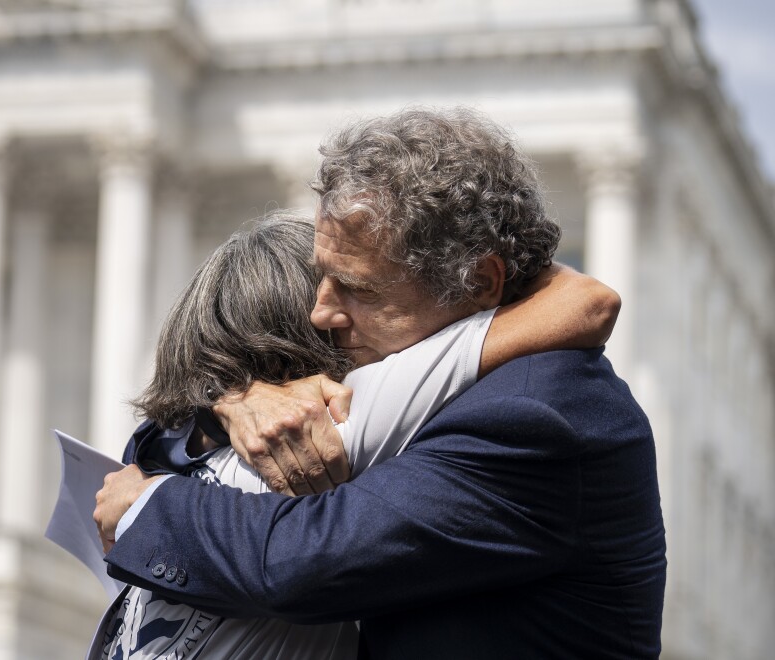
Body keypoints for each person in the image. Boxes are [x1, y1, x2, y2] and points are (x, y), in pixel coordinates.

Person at [95, 108, 666, 658]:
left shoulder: (536, 413)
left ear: (481, 281)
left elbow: (304, 560)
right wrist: (233, 399)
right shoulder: (454, 379)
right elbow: (170, 435)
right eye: (323, 278)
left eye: (358, 290)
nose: (321, 314)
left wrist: (147, 506)